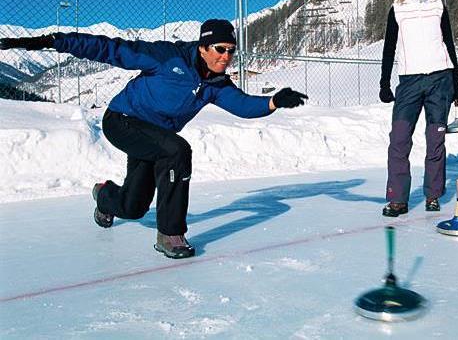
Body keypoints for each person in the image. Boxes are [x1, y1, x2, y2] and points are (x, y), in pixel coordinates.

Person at [0, 19, 308, 257]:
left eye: (231, 51)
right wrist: (52, 41)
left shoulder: (216, 84)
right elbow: (108, 48)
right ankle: (170, 234)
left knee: (134, 207)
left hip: (154, 138)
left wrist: (274, 101)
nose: (226, 57)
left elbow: (242, 106)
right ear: (203, 47)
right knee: (177, 150)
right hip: (122, 121)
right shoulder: (166, 57)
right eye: (220, 49)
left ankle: (105, 196)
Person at [379, 0, 458, 217]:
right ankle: (398, 199)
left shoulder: (438, 5)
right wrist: (384, 82)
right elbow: (389, 47)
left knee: (435, 140)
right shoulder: (397, 8)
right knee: (399, 139)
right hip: (410, 82)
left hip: (440, 79)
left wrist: (457, 80)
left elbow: (449, 42)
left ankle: (432, 196)